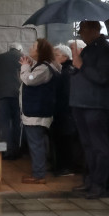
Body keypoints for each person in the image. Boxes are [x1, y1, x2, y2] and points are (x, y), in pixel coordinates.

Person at [69, 21, 109, 199]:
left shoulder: (106, 49)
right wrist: (74, 63)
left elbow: (102, 77)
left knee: (99, 147)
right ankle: (89, 180)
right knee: (87, 146)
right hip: (81, 103)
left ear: (94, 30)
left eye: (82, 30)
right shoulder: (89, 48)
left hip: (95, 104)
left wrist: (81, 65)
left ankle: (100, 183)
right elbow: (80, 72)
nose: (80, 33)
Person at [19, 39, 61, 184]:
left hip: (36, 113)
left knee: (36, 144)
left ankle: (38, 175)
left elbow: (29, 79)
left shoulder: (43, 68)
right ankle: (39, 171)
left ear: (40, 51)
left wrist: (25, 67)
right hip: (37, 111)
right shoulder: (44, 66)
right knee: (39, 143)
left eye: (34, 46)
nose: (31, 48)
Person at [49, 44, 81, 175]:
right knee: (60, 140)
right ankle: (61, 165)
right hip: (62, 112)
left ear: (64, 57)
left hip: (65, 112)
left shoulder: (67, 72)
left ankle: (66, 167)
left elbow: (66, 93)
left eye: (56, 55)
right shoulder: (62, 70)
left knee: (65, 141)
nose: (54, 58)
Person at [0, 43, 23, 160]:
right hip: (17, 95)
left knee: (4, 124)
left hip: (2, 95)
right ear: (20, 49)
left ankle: (6, 151)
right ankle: (16, 150)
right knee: (18, 123)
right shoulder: (23, 56)